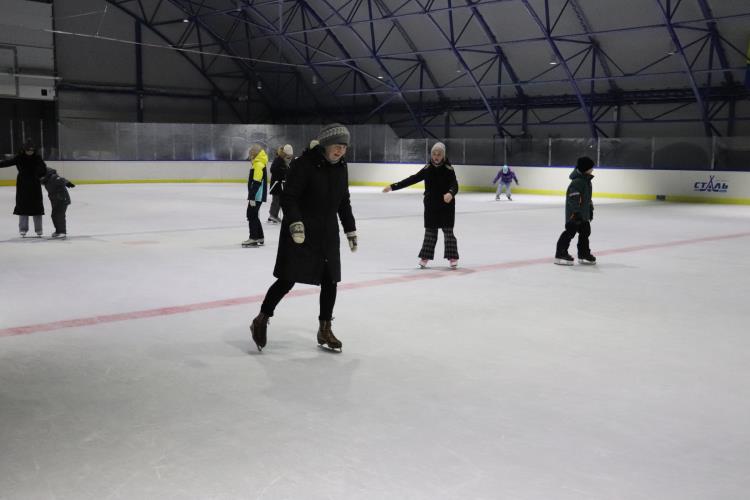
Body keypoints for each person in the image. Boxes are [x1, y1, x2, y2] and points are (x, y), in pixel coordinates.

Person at [249, 124, 357, 352]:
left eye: (344, 147)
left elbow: (344, 200)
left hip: (327, 233)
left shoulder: (341, 167)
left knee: (330, 280)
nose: (340, 151)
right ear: (326, 145)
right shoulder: (304, 164)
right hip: (300, 232)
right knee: (287, 279)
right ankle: (261, 318)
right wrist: (296, 223)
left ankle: (325, 328)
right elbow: (289, 198)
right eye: (337, 146)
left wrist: (350, 229)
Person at [382, 141, 459, 269]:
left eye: (439, 154)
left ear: (443, 156)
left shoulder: (449, 169)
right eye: (434, 154)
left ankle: (452, 257)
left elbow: (454, 185)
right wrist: (393, 186)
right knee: (430, 232)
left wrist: (450, 193)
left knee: (448, 232)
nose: (436, 156)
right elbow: (412, 179)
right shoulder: (427, 169)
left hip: (447, 206)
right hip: (431, 205)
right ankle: (425, 256)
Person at [554, 156, 596, 266]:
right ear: (585, 168)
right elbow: (573, 199)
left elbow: (587, 199)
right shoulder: (577, 182)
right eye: (591, 167)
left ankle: (583, 253)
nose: (593, 169)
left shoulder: (586, 181)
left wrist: (590, 210)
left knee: (585, 232)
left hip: (584, 214)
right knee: (570, 232)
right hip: (575, 214)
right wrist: (576, 213)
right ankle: (560, 253)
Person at [0, 140, 46, 237]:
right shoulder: (19, 158)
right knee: (23, 207)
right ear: (24, 150)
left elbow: (43, 168)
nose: (30, 152)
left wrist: (39, 173)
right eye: (28, 150)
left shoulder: (37, 158)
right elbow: (7, 163)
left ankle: (39, 229)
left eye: (32, 150)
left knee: (37, 207)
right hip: (22, 185)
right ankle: (23, 229)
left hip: (35, 185)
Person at [242, 143, 269, 247]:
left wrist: (252, 197)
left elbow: (257, 182)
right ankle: (259, 236)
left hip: (257, 195)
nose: (249, 156)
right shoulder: (259, 163)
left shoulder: (258, 164)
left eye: (251, 153)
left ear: (254, 154)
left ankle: (253, 238)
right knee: (253, 215)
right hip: (257, 195)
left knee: (251, 215)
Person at [39, 167, 75, 239]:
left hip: (62, 199)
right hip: (55, 200)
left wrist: (68, 183)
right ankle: (58, 231)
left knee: (59, 215)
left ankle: (62, 232)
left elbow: (61, 180)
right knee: (54, 215)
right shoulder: (46, 180)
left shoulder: (53, 177)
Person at [267, 144, 293, 224]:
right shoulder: (278, 160)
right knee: (276, 200)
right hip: (276, 184)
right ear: (285, 153)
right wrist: (283, 171)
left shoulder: (285, 160)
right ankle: (272, 215)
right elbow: (272, 169)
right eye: (288, 155)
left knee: (280, 201)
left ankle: (275, 215)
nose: (289, 157)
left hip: (281, 184)